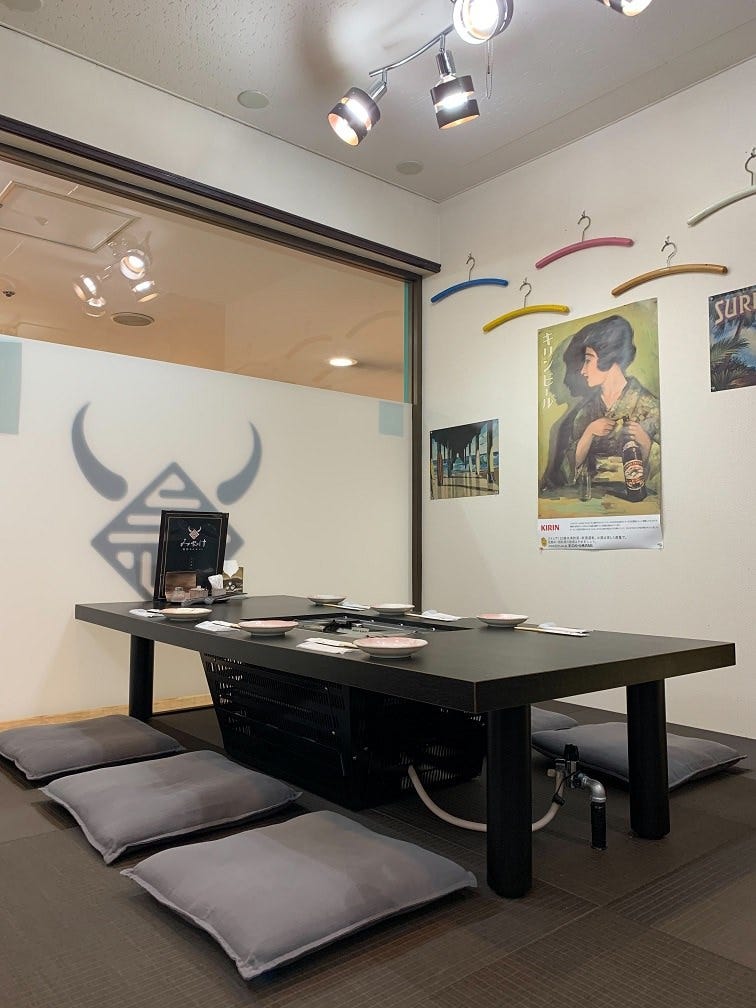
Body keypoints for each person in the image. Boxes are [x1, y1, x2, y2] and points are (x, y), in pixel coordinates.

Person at [566, 315, 660, 496]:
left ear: (608, 358)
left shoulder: (649, 406)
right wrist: (588, 433)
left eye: (588, 360)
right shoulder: (586, 411)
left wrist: (646, 444)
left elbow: (668, 471)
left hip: (635, 498)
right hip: (593, 497)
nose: (582, 370)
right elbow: (568, 471)